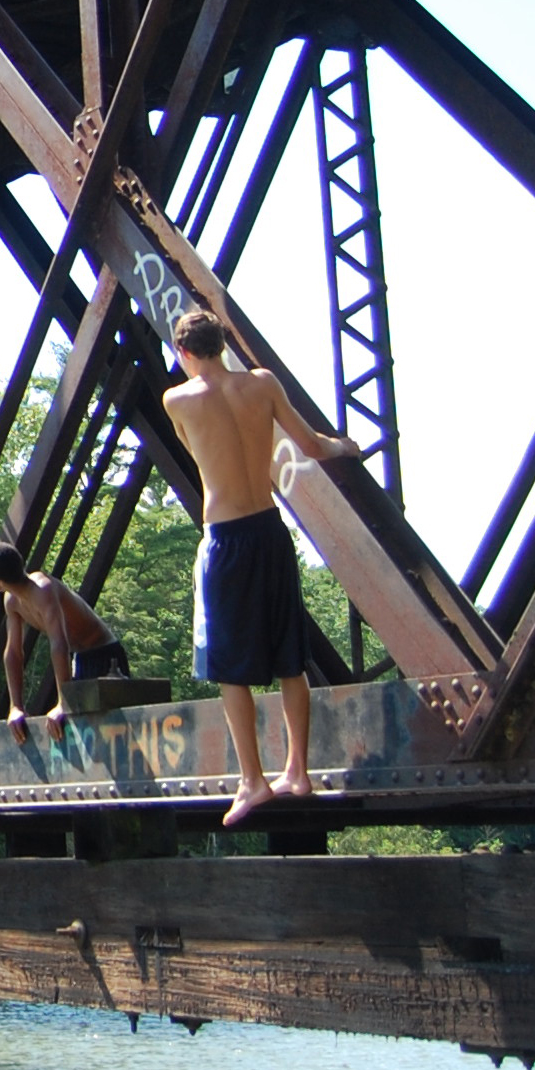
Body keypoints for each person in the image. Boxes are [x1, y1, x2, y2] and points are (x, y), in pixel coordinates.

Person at [158, 307, 362, 827]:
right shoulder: (263, 384)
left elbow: (196, 454)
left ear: (183, 353)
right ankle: (298, 771)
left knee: (230, 665)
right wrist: (346, 446)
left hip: (226, 540)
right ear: (222, 344)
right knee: (288, 657)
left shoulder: (177, 399)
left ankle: (252, 781)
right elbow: (313, 446)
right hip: (271, 532)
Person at [0, 541, 133, 741]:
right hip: (79, 657)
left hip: (104, 653)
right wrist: (16, 707)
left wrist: (64, 703)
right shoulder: (11, 601)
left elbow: (58, 643)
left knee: (113, 732)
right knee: (80, 734)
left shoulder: (42, 588)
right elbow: (13, 653)